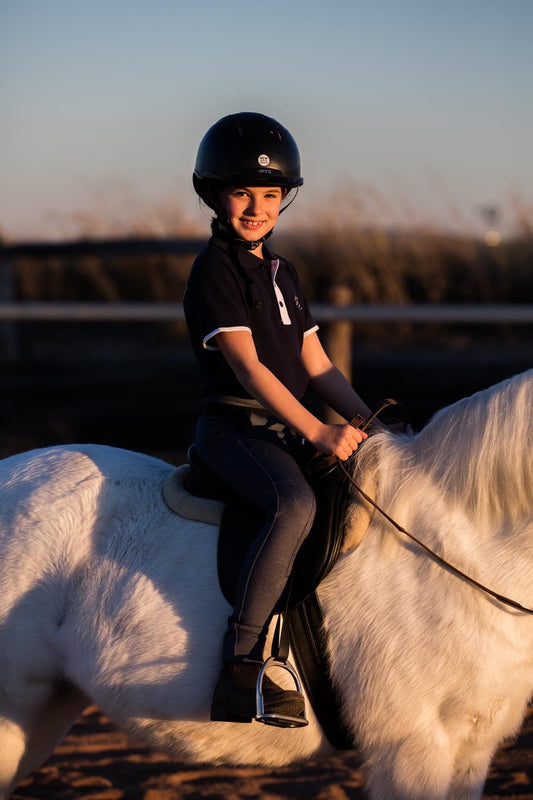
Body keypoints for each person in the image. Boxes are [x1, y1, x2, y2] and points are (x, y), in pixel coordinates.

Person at [183, 112, 372, 726]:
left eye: (270, 195)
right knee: (293, 504)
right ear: (215, 195)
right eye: (242, 193)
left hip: (281, 432)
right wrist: (318, 431)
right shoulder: (215, 271)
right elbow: (248, 369)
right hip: (233, 431)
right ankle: (240, 666)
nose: (256, 207)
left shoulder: (283, 273)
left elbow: (316, 364)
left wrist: (371, 423)